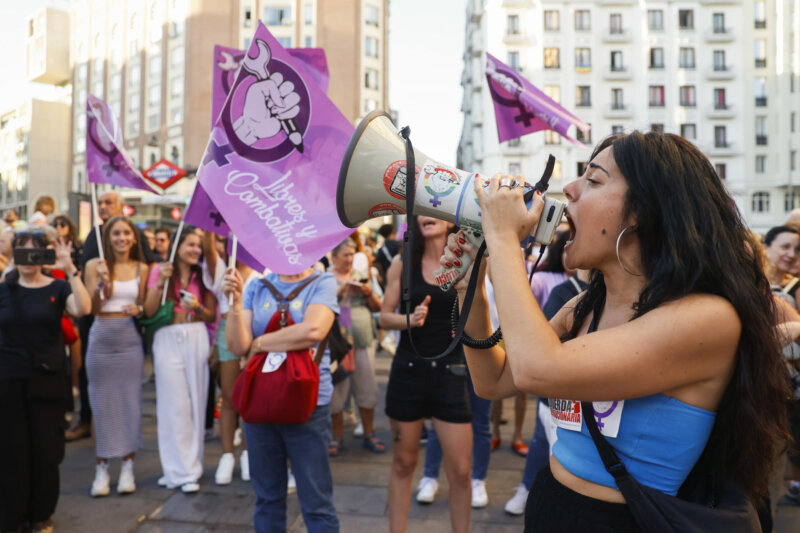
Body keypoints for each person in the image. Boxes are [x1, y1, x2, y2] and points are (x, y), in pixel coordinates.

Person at [443, 131, 789, 530]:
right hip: (553, 502)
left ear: (643, 209)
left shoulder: (707, 318)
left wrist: (502, 239)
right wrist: (473, 292)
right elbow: (494, 380)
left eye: (593, 180)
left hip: (624, 521)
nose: (569, 189)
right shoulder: (585, 306)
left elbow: (536, 369)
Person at [222, 263, 339, 532]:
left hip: (308, 404)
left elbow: (312, 331)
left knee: (316, 502)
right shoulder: (256, 285)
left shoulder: (323, 282)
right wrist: (236, 304)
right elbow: (237, 346)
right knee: (267, 499)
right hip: (260, 403)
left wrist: (260, 344)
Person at [379, 215, 473, 533]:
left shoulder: (465, 261)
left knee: (460, 470)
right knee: (404, 462)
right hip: (409, 370)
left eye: (433, 211)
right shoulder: (402, 262)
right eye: (418, 211)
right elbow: (383, 317)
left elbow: (479, 314)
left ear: (450, 222)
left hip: (451, 370)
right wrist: (410, 319)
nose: (424, 216)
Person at [0, 229, 91, 533]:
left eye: (35, 251)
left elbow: (83, 309)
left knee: (46, 451)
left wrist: (70, 268)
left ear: (44, 256)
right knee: (12, 450)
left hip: (47, 380)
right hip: (9, 380)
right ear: (13, 254)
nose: (28, 258)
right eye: (22, 251)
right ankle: (12, 516)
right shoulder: (3, 287)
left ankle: (41, 514)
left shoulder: (60, 286)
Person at [143, 228, 217, 493]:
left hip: (195, 336)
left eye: (199, 245)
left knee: (196, 401)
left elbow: (210, 316)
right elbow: (149, 310)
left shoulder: (203, 274)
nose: (196, 250)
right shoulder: (159, 271)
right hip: (166, 337)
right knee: (174, 405)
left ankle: (190, 468)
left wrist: (196, 307)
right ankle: (176, 470)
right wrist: (160, 282)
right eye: (190, 244)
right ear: (177, 245)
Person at [83, 216, 149, 497]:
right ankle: (101, 469)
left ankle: (127, 467)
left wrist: (140, 309)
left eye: (126, 233)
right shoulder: (93, 265)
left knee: (129, 403)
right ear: (107, 237)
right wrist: (101, 284)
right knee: (100, 405)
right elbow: (90, 307)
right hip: (101, 337)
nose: (121, 238)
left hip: (129, 340)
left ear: (134, 238)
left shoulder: (143, 268)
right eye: (116, 233)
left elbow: (145, 305)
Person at [202, 233, 259, 485]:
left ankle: (248, 454)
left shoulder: (263, 269)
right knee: (228, 398)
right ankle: (227, 456)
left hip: (256, 335)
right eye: (228, 240)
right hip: (227, 333)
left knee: (251, 399)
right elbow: (207, 242)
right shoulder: (221, 269)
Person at [328, 238, 385, 456]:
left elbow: (379, 307)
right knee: (337, 386)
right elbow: (318, 307)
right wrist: (340, 291)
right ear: (334, 257)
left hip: (361, 337)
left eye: (352, 255)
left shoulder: (362, 276)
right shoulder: (326, 279)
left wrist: (368, 292)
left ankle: (369, 432)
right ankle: (337, 436)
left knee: (366, 384)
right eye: (345, 255)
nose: (350, 259)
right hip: (337, 341)